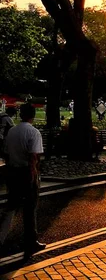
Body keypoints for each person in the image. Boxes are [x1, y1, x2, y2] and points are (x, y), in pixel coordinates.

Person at [0, 103, 46, 258]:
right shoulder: (33, 132)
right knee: (29, 208)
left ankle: (1, 237)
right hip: (26, 172)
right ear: (33, 115)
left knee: (11, 206)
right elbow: (34, 157)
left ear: (21, 115)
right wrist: (34, 175)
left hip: (13, 170)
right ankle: (30, 241)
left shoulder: (12, 131)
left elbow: (6, 152)